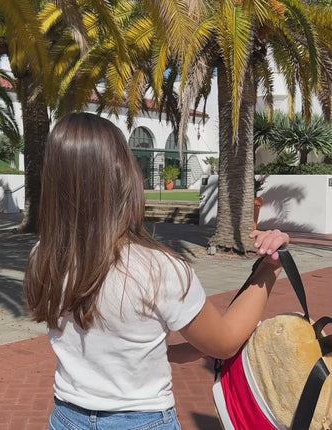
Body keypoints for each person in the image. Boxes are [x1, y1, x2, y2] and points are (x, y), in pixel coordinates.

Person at [23, 112, 289, 430]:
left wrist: (181, 350)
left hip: (67, 418)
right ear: (124, 175)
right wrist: (270, 268)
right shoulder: (159, 269)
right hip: (142, 420)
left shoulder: (44, 258)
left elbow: (112, 342)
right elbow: (225, 342)